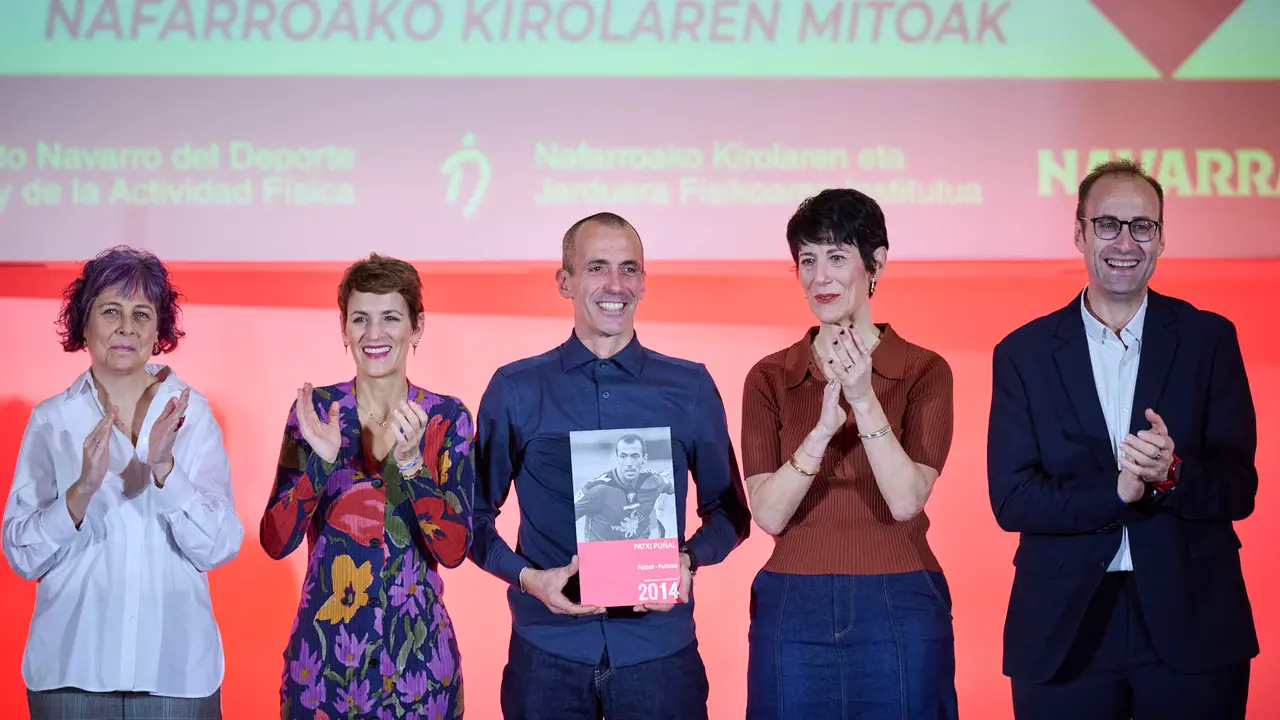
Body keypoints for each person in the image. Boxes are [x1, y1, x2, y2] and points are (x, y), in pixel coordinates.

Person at [987, 159, 1258, 719]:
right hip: (1064, 626)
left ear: (1161, 239)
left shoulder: (1209, 339)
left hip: (1194, 618)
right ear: (1080, 232)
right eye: (1107, 224)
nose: (1125, 242)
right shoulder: (1024, 353)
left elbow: (1240, 488)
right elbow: (1012, 500)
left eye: (1143, 226)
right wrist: (1118, 491)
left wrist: (1173, 473)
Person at [471, 212, 752, 719]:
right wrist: (530, 579)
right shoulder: (516, 389)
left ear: (643, 282)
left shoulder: (689, 388)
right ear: (566, 280)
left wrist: (686, 562)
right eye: (597, 267)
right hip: (546, 654)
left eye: (629, 269)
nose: (615, 285)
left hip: (659, 656)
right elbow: (470, 519)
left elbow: (730, 512)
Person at [740, 189, 959, 718]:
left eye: (837, 257)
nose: (820, 278)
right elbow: (767, 513)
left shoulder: (924, 371)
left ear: (876, 262)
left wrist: (863, 399)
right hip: (793, 600)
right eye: (807, 261)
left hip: (900, 598)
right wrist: (818, 435)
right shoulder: (770, 377)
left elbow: (907, 499)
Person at [2, 245, 243, 720]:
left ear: (159, 330)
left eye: (142, 313)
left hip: (176, 673)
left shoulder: (192, 415)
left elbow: (218, 547)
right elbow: (21, 555)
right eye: (111, 310)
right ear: (84, 324)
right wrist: (79, 494)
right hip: (71, 667)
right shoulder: (52, 420)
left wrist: (164, 472)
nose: (126, 326)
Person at [260, 254, 475, 719]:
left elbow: (455, 550)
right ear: (344, 329)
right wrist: (320, 464)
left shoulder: (447, 418)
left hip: (419, 671)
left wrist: (415, 467)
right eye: (360, 319)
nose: (374, 334)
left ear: (416, 327)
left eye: (390, 318)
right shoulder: (315, 412)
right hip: (324, 669)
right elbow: (276, 541)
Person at [574, 433, 677, 542]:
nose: (629, 463)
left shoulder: (653, 481)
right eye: (623, 456)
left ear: (644, 459)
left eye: (635, 456)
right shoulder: (597, 489)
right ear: (617, 458)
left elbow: (674, 487)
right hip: (603, 555)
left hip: (640, 552)